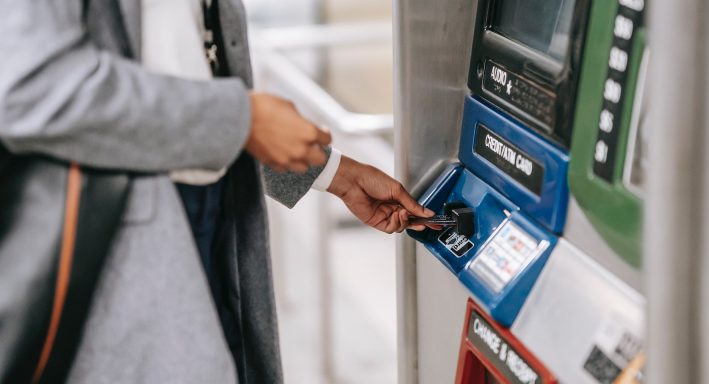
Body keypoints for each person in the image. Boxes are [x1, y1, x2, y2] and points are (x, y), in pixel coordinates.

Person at [0, 0, 432, 383]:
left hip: (209, 218)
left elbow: (182, 69)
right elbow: (30, 88)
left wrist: (334, 173)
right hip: (123, 251)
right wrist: (244, 119)